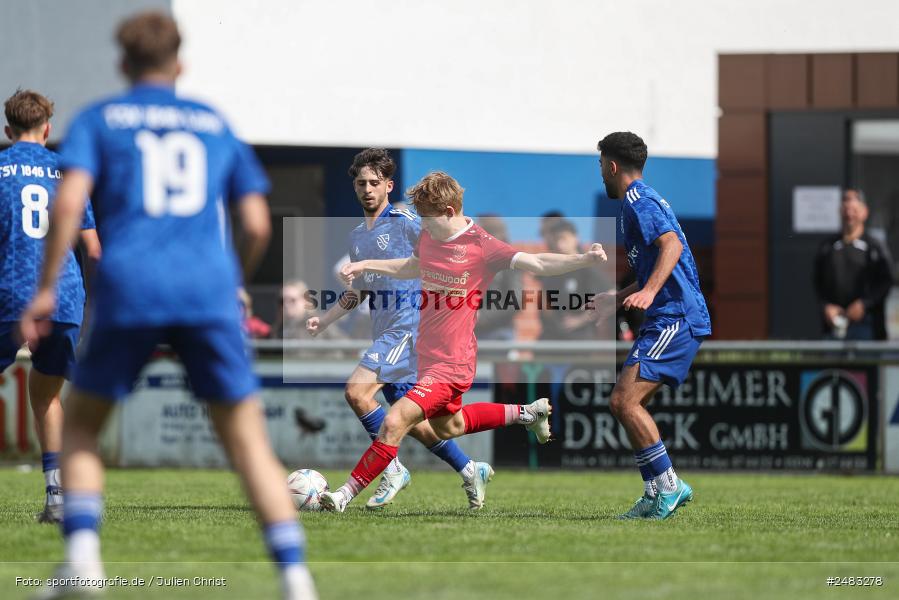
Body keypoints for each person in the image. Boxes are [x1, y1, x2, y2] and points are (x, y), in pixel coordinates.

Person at [19, 12, 316, 600]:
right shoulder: (212, 122)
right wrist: (229, 276)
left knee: (80, 423)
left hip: (131, 287)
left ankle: (82, 560)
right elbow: (255, 222)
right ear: (179, 64)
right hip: (205, 292)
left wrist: (48, 285)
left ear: (123, 65)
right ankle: (295, 579)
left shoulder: (100, 120)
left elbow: (68, 206)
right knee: (247, 439)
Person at [319, 171, 607, 513]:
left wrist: (583, 259)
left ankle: (343, 496)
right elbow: (412, 266)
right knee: (450, 426)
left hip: (452, 363)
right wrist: (368, 264)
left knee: (396, 420)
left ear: (450, 211)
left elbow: (538, 262)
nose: (422, 226)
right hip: (426, 356)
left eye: (427, 219)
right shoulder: (429, 237)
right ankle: (526, 414)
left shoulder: (482, 245)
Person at [306, 149, 493, 510]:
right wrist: (326, 319)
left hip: (410, 328)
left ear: (388, 185)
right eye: (361, 183)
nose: (367, 189)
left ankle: (391, 469)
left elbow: (448, 243)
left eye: (374, 183)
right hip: (386, 332)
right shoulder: (358, 236)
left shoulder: (406, 220)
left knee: (357, 393)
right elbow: (360, 290)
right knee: (412, 421)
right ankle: (469, 468)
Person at [596, 131, 710, 520]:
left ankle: (669, 487)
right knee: (627, 403)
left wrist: (648, 294)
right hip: (669, 315)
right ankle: (655, 491)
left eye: (600, 167)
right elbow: (659, 260)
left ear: (612, 166)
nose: (601, 175)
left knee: (624, 401)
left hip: (675, 316)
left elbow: (672, 247)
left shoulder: (636, 200)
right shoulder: (645, 199)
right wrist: (622, 294)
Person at [0, 89, 101, 524]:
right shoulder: (66, 172)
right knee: (46, 396)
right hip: (63, 298)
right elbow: (93, 250)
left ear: (7, 130)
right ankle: (58, 497)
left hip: (7, 293)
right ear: (47, 128)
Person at [813, 189, 894, 341]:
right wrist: (826, 306)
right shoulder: (827, 247)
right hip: (834, 326)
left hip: (867, 326)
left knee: (864, 363)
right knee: (831, 364)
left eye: (854, 210)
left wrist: (864, 304)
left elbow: (886, 282)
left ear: (864, 213)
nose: (850, 215)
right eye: (846, 210)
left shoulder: (875, 247)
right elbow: (817, 283)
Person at [538, 218, 609, 340]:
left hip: (579, 339)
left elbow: (609, 296)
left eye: (563, 238)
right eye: (556, 239)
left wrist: (580, 319)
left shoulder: (588, 267)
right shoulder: (553, 268)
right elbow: (545, 301)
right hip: (552, 336)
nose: (559, 244)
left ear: (576, 238)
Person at [474, 214, 521, 341]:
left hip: (499, 333)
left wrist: (482, 316)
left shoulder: (509, 262)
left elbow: (515, 301)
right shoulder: (473, 260)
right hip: (471, 333)